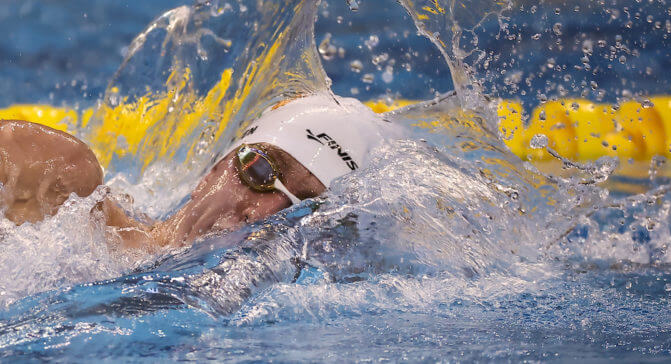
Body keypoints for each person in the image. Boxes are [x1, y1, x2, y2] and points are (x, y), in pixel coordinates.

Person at [0, 94, 398, 250]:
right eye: (259, 171)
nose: (261, 213)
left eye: (305, 206)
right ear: (211, 172)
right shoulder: (66, 188)